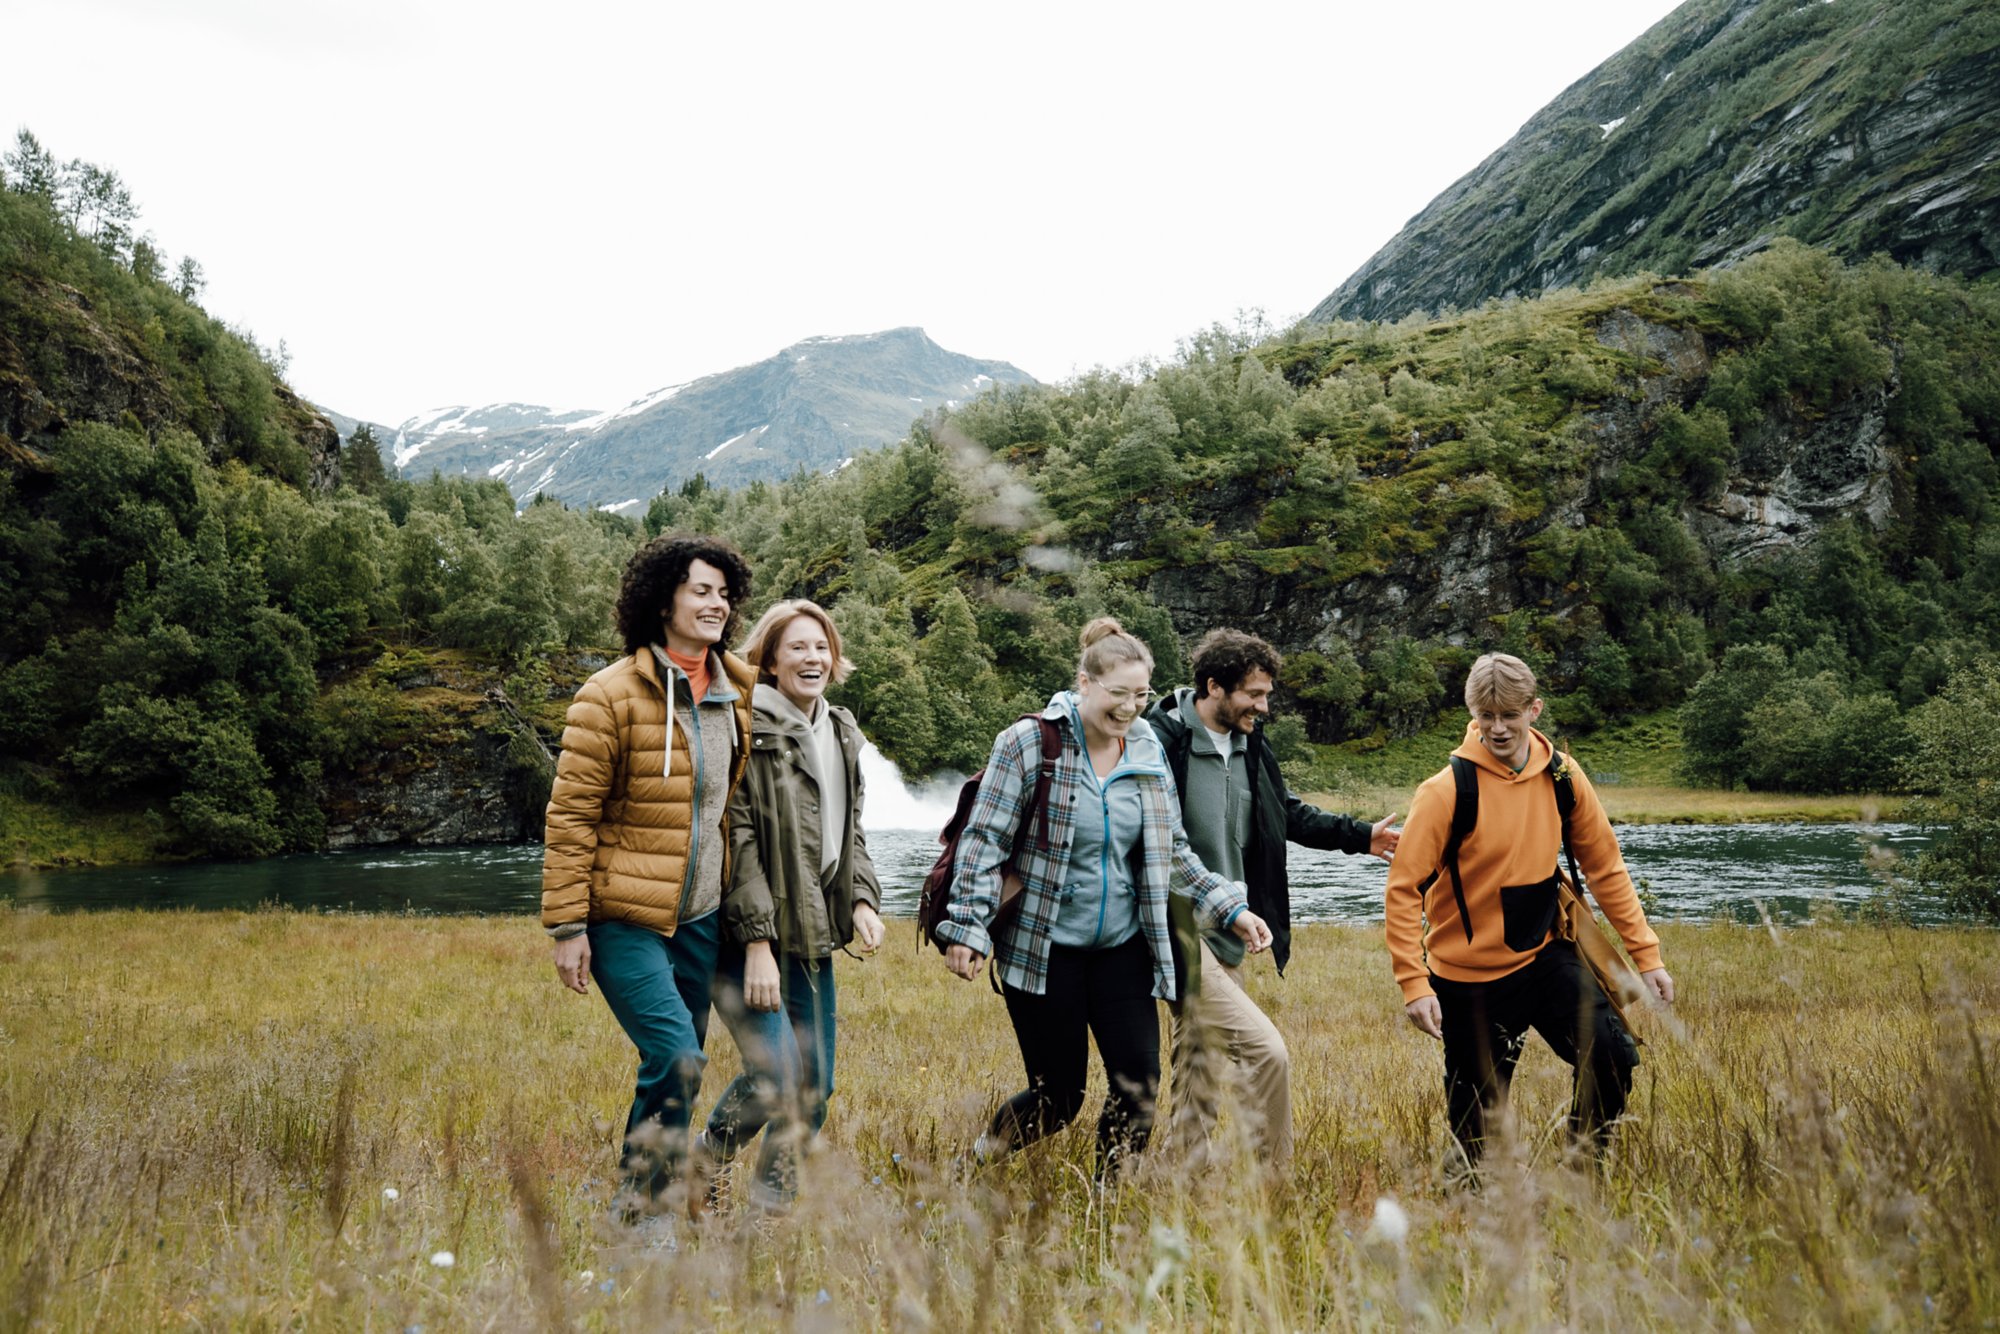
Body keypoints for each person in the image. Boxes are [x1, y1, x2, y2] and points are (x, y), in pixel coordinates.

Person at [934, 617, 1274, 1178]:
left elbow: (1175, 852)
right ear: (1085, 682)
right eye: (1118, 694)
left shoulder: (1145, 748)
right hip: (1044, 950)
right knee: (1058, 1098)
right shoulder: (1028, 742)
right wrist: (966, 928)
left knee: (1137, 1093)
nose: (1130, 708)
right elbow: (983, 842)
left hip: (1122, 948)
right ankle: (973, 1166)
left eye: (1140, 695)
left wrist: (1229, 907)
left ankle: (1104, 1205)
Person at [541, 533, 773, 1217]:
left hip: (699, 919)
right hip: (623, 918)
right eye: (701, 591)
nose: (717, 605)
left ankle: (651, 1194)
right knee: (677, 1059)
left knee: (681, 1069)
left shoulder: (739, 691)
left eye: (725, 595)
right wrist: (566, 925)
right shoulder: (608, 696)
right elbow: (571, 815)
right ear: (661, 598)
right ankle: (640, 1210)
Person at [1384, 652, 1675, 1174]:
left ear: (1534, 710)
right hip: (1466, 978)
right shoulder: (1445, 791)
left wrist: (1646, 956)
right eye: (1485, 716)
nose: (1497, 728)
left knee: (1613, 1057)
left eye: (1509, 715)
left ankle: (1579, 1173)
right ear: (1472, 712)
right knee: (1476, 1129)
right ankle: (1463, 1216)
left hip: (1545, 956)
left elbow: (1605, 867)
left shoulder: (1563, 775)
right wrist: (1414, 984)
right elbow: (1403, 890)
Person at [1144, 629, 1399, 1174]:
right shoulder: (1162, 741)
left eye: (1266, 695)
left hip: (1229, 930)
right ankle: (1275, 1183)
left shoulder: (1250, 744)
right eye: (1254, 695)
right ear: (1214, 686)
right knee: (1267, 1052)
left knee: (1201, 1070)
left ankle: (1175, 1185)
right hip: (1177, 926)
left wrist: (1361, 836)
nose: (1263, 706)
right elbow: (1151, 843)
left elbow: (1285, 812)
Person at [697, 599, 886, 1207]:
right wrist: (756, 944)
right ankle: (703, 1162)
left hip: (810, 933)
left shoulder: (840, 728)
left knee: (816, 1088)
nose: (814, 658)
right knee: (777, 1075)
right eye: (798, 647)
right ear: (771, 660)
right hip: (750, 937)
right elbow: (738, 834)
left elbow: (849, 828)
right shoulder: (748, 725)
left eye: (822, 646)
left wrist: (860, 898)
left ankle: (768, 1211)